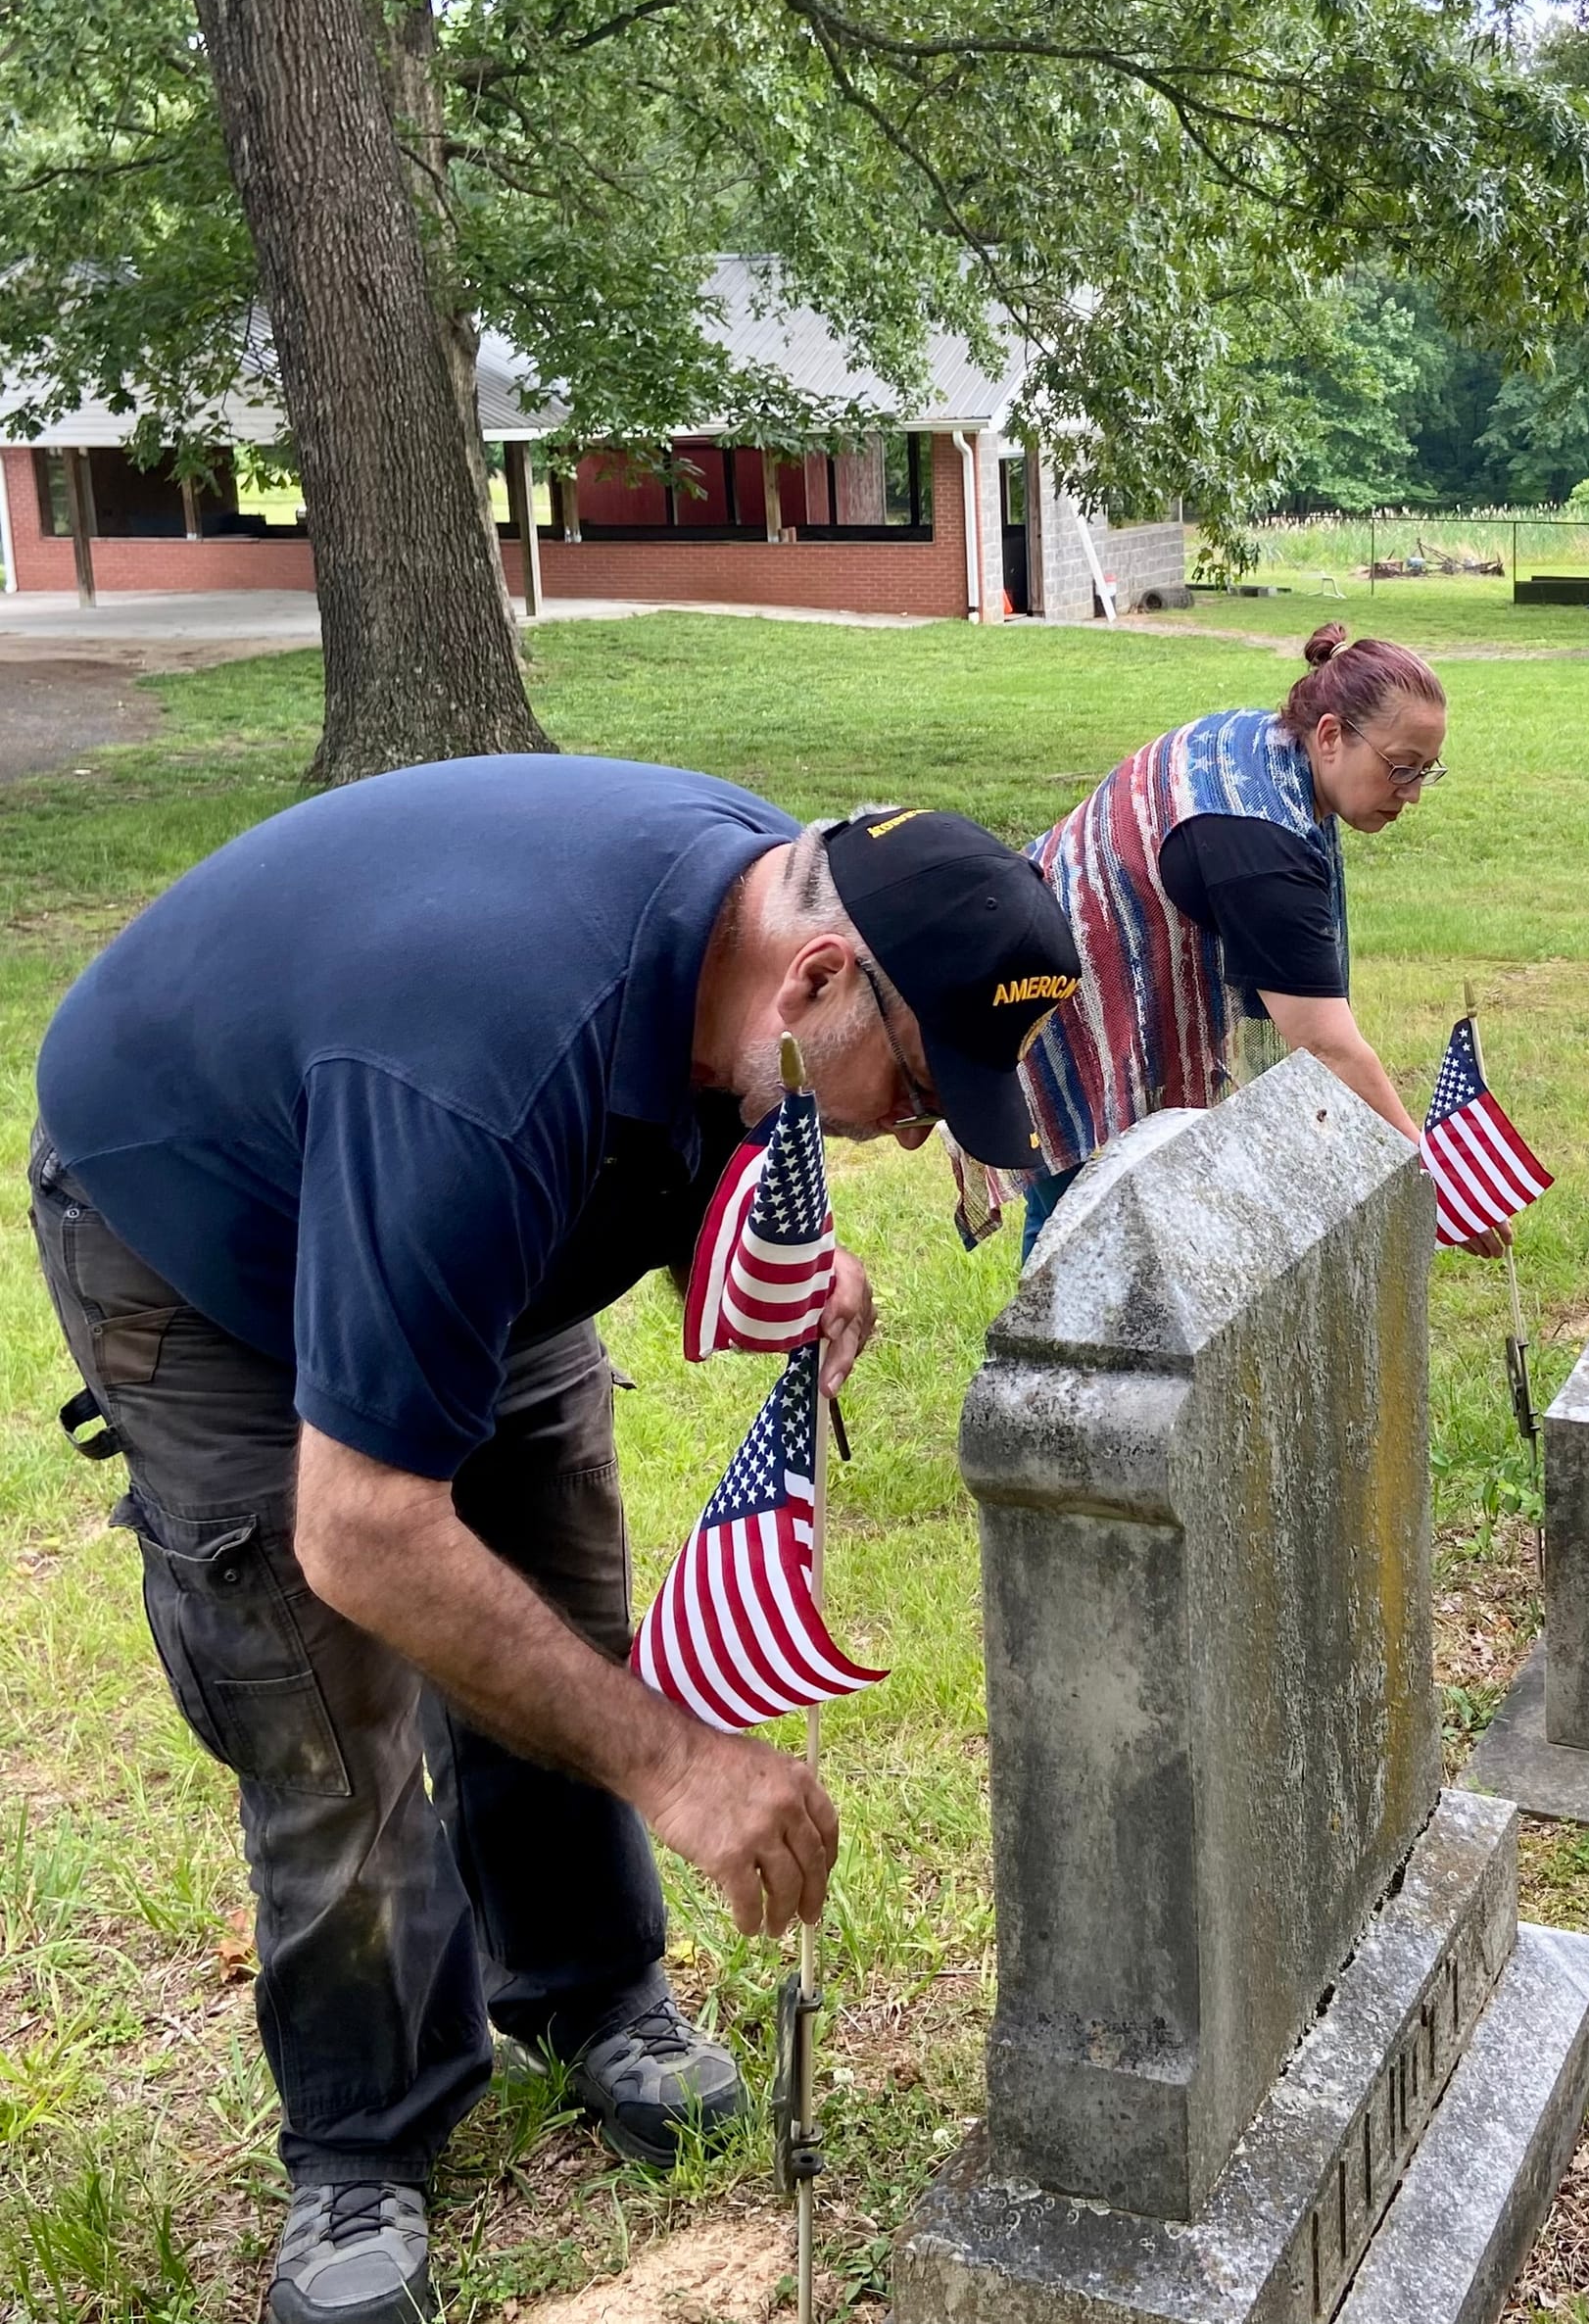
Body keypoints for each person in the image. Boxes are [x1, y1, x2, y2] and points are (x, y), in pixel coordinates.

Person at [28, 759, 1079, 2324]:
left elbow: (720, 1077)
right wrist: (688, 1766)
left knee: (561, 1615)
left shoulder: (758, 905)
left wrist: (782, 1232)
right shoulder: (486, 1067)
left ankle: (590, 1992)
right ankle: (364, 2136)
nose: (917, 1132)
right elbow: (366, 1529)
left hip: (471, 1206)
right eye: (920, 1089)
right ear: (823, 976)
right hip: (207, 1245)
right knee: (331, 1710)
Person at [956, 624, 1509, 1258]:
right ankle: (1042, 1357)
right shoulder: (1261, 837)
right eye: (1400, 768)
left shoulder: (1277, 753)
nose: (1412, 792)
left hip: (1051, 963)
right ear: (1330, 735)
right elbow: (1326, 1046)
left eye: (1425, 771)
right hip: (1056, 1007)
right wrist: (1432, 1179)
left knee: (1081, 1219)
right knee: (1083, 1237)